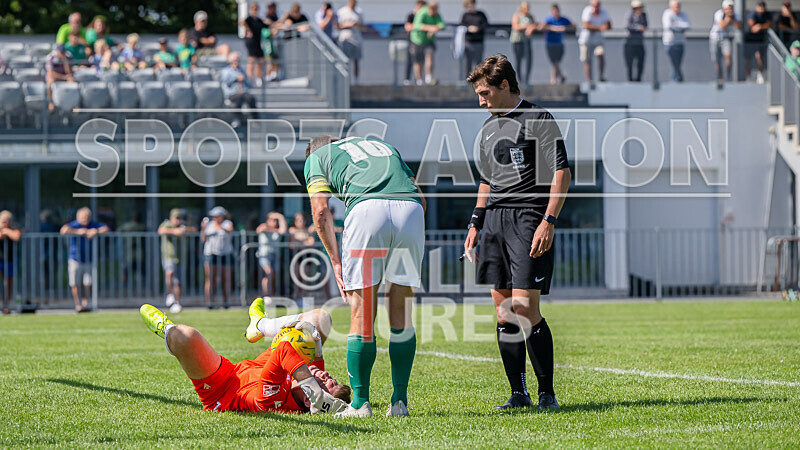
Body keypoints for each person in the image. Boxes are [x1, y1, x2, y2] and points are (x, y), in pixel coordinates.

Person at [464, 54, 571, 410]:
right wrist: (476, 222)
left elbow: (561, 173)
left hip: (528, 219)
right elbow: (486, 180)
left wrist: (548, 219)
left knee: (525, 307)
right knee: (504, 312)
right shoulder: (488, 128)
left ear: (504, 85)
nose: (481, 101)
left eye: (485, 93)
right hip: (494, 221)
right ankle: (518, 394)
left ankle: (547, 394)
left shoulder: (539, 118)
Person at [304, 135, 426, 418]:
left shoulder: (316, 156)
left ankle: (360, 404)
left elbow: (321, 211)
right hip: (411, 209)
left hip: (367, 210)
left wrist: (336, 261)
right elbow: (419, 194)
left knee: (362, 314)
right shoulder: (384, 145)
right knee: (401, 313)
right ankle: (400, 403)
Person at [139, 298, 350, 414]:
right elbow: (313, 339)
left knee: (185, 336)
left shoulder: (273, 400)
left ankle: (165, 329)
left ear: (308, 399)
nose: (327, 375)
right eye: (332, 378)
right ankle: (260, 325)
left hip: (222, 387)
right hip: (266, 367)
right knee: (321, 320)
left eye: (327, 383)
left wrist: (309, 377)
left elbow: (284, 350)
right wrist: (314, 346)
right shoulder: (306, 386)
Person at [60, 207, 109, 313]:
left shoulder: (93, 224)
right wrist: (78, 232)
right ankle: (78, 304)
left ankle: (86, 304)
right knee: (74, 282)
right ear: (78, 217)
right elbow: (63, 230)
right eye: (82, 217)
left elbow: (106, 228)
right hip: (75, 258)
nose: (84, 219)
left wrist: (96, 231)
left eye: (86, 217)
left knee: (88, 282)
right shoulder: (74, 224)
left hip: (89, 259)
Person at [158, 209, 197, 314]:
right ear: (171, 217)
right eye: (176, 218)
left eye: (179, 218)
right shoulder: (167, 223)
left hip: (180, 257)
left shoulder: (183, 225)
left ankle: (177, 302)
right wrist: (175, 232)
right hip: (168, 256)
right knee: (169, 273)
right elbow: (161, 230)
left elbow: (194, 230)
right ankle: (170, 294)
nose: (178, 220)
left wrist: (185, 230)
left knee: (178, 282)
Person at [201, 206, 233, 309]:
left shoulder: (227, 224)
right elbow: (203, 239)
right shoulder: (209, 225)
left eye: (216, 216)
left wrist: (220, 227)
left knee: (226, 279)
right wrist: (203, 229)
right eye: (213, 216)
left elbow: (230, 230)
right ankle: (209, 303)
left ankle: (226, 303)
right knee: (210, 279)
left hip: (225, 254)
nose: (214, 218)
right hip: (211, 254)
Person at [411, 1, 446, 85]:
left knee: (430, 57)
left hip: (428, 41)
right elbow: (417, 25)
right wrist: (430, 28)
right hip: (416, 40)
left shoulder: (437, 14)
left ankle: (428, 78)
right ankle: (419, 80)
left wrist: (435, 29)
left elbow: (442, 25)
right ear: (429, 8)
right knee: (417, 61)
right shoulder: (422, 12)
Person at [221, 52, 257, 129]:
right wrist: (235, 78)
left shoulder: (242, 71)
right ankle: (237, 119)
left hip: (243, 92)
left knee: (251, 98)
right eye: (234, 59)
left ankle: (255, 119)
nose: (236, 61)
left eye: (238, 60)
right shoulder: (226, 71)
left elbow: (250, 85)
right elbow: (225, 82)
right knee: (238, 98)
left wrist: (244, 79)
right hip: (232, 93)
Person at [709, 0, 742, 85]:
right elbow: (722, 25)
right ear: (724, 9)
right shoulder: (718, 14)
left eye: (731, 8)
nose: (730, 10)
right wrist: (728, 17)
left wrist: (734, 19)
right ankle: (719, 77)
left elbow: (739, 26)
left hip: (725, 38)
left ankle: (728, 77)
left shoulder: (735, 15)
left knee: (728, 56)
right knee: (717, 60)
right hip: (715, 38)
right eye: (728, 9)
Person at [578, 0, 611, 83]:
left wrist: (604, 26)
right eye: (595, 6)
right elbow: (586, 25)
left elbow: (608, 25)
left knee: (601, 55)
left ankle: (601, 76)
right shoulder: (587, 11)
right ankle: (589, 80)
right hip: (586, 40)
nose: (596, 7)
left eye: (598, 5)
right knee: (587, 60)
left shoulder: (603, 12)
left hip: (598, 40)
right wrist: (600, 28)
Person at [256, 211, 288, 299]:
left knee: (272, 276)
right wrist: (275, 229)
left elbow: (283, 230)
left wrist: (281, 217)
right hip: (264, 255)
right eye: (272, 220)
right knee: (269, 273)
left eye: (276, 220)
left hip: (275, 255)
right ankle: (266, 295)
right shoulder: (264, 226)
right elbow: (260, 229)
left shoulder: (277, 230)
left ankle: (270, 295)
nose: (274, 222)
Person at [541, 4, 573, 84]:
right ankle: (559, 77)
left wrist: (564, 28)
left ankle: (554, 79)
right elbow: (541, 27)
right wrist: (552, 28)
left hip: (559, 44)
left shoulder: (563, 19)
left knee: (557, 62)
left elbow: (573, 25)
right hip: (550, 44)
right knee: (554, 62)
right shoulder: (549, 19)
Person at [661, 0, 690, 82]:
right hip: (670, 43)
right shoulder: (667, 13)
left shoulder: (683, 14)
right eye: (675, 6)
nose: (677, 8)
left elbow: (687, 25)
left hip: (680, 42)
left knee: (678, 63)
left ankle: (677, 79)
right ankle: (677, 80)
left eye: (678, 6)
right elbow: (668, 26)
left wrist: (676, 25)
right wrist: (680, 27)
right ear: (671, 6)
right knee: (674, 63)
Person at [337, 0, 365, 84]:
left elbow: (363, 27)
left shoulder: (359, 12)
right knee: (345, 60)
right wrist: (348, 25)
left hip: (356, 38)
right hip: (345, 38)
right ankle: (346, 80)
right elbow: (337, 26)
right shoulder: (341, 11)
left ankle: (356, 80)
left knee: (356, 60)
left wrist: (357, 24)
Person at [460, 0, 489, 78]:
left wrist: (477, 29)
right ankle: (468, 79)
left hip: (479, 42)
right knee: (468, 62)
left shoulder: (481, 14)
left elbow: (485, 25)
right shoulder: (465, 15)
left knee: (479, 62)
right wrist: (469, 28)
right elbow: (462, 26)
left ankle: (479, 79)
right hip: (468, 42)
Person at [0, 211, 21, 315]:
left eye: (7, 219)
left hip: (10, 260)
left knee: (8, 284)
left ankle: (6, 305)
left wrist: (6, 232)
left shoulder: (13, 228)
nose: (5, 221)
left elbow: (16, 236)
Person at [510, 2, 536, 87]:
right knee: (519, 61)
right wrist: (526, 26)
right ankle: (520, 79)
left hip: (527, 42)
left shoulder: (530, 16)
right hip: (518, 41)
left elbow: (534, 25)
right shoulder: (517, 15)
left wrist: (531, 28)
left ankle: (526, 79)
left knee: (529, 60)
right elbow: (515, 26)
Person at [118, 212, 146, 288]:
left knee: (125, 272)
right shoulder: (142, 227)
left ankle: (123, 288)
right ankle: (145, 287)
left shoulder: (127, 226)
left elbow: (119, 230)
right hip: (139, 255)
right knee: (142, 273)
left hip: (129, 254)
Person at [746, 1, 771, 83]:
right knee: (748, 59)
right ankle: (748, 76)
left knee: (759, 57)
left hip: (760, 40)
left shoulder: (766, 14)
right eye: (760, 7)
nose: (761, 9)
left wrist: (760, 26)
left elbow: (769, 24)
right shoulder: (753, 13)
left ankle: (760, 75)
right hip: (749, 40)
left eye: (763, 7)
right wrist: (757, 26)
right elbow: (752, 26)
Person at [242, 2, 267, 84]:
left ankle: (259, 78)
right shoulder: (249, 19)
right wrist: (248, 31)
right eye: (253, 9)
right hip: (251, 42)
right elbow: (242, 22)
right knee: (251, 60)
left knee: (261, 60)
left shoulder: (259, 20)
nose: (255, 10)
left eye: (256, 9)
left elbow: (267, 26)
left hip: (257, 42)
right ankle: (249, 79)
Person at [404, 1, 426, 85]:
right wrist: (419, 27)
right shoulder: (411, 15)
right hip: (412, 41)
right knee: (410, 60)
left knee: (421, 61)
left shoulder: (424, 17)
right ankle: (407, 79)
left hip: (422, 41)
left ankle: (419, 80)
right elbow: (407, 27)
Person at [624, 1, 647, 82]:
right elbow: (628, 26)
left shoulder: (643, 15)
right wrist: (639, 28)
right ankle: (630, 79)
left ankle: (638, 79)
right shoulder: (629, 15)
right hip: (630, 43)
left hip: (640, 43)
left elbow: (645, 25)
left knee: (640, 63)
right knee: (630, 63)